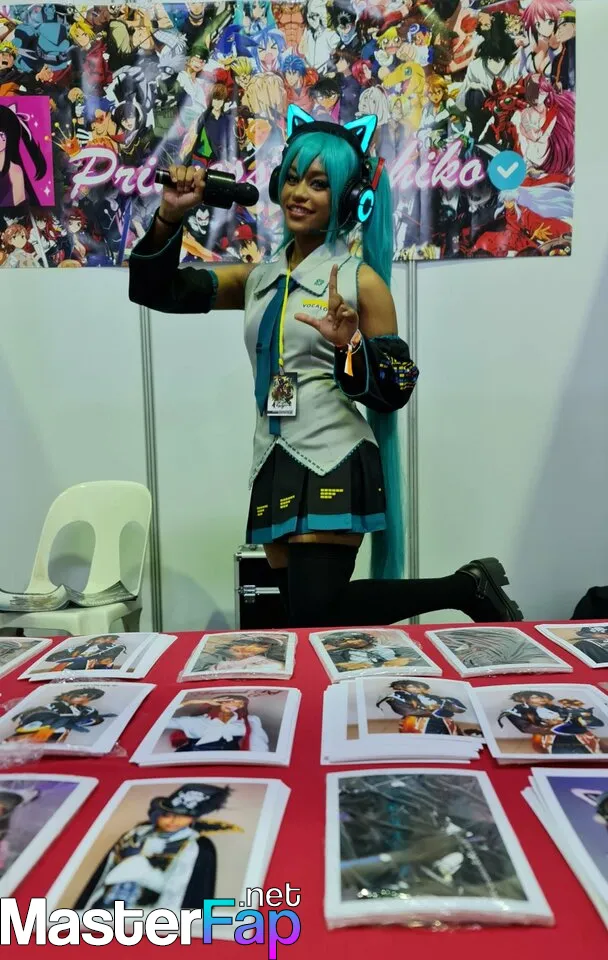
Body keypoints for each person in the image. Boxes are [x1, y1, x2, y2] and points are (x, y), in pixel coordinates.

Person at [129, 104, 523, 628]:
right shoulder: (257, 278)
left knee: (320, 612)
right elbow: (156, 291)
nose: (299, 193)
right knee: (302, 622)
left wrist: (351, 344)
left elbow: (395, 388)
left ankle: (466, 586)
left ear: (348, 198)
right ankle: (464, 590)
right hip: (272, 456)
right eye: (292, 178)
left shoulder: (362, 283)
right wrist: (169, 217)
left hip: (334, 453)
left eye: (318, 183)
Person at [74, 783, 235, 911]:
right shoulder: (136, 834)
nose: (173, 821)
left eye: (182, 816)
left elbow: (179, 889)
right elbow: (105, 871)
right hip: (108, 902)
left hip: (149, 909)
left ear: (192, 818)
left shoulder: (195, 845)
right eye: (168, 815)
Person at [167, 693, 270, 752]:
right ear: (218, 702)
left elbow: (259, 744)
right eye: (230, 701)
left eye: (239, 704)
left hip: (230, 762)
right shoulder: (194, 721)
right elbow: (162, 720)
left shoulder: (249, 721)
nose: (234, 705)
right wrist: (190, 702)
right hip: (191, 760)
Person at [376, 680, 467, 735]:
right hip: (418, 725)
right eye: (421, 688)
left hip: (444, 725)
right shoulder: (397, 696)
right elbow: (405, 710)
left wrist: (445, 701)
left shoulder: (433, 697)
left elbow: (461, 709)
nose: (425, 691)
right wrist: (435, 711)